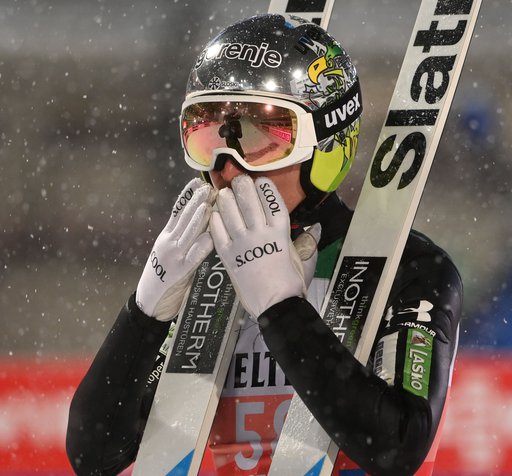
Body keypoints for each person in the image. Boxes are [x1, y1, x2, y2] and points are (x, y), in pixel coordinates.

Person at [66, 14, 463, 476]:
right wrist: (144, 314)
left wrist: (281, 309)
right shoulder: (200, 268)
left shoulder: (409, 267)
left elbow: (398, 447)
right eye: (208, 137)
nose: (227, 168)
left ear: (326, 145)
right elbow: (95, 456)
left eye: (258, 140)